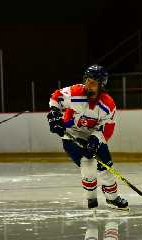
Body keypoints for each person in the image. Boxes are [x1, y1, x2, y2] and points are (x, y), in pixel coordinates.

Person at [47, 65, 128, 210]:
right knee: (88, 165)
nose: (88, 85)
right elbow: (56, 97)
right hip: (72, 134)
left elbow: (107, 129)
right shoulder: (74, 93)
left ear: (101, 85)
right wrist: (54, 115)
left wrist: (95, 140)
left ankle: (112, 198)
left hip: (94, 135)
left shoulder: (108, 105)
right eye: (87, 81)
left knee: (107, 168)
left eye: (93, 83)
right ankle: (91, 199)